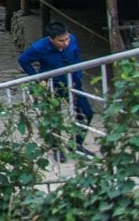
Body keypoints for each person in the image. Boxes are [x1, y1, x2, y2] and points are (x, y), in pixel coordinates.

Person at [17, 22, 95, 156]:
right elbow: (23, 60)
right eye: (61, 41)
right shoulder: (39, 47)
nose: (65, 43)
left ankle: (77, 143)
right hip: (52, 85)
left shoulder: (72, 40)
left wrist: (77, 74)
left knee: (86, 112)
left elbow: (76, 56)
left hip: (74, 83)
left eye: (67, 39)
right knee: (53, 117)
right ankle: (56, 147)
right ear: (51, 39)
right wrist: (37, 78)